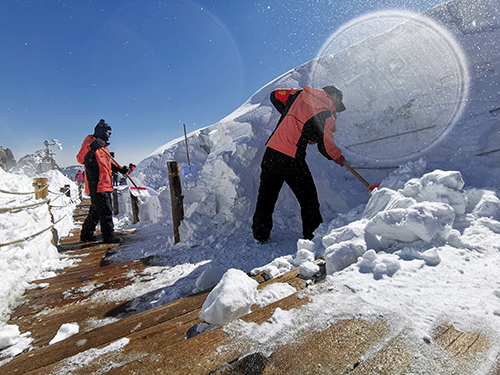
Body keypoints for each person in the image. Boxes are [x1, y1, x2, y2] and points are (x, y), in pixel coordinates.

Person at [252, 85, 346, 244]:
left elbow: (275, 95)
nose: (337, 106)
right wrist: (337, 156)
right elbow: (326, 146)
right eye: (338, 101)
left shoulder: (299, 94)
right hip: (291, 158)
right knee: (308, 198)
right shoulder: (326, 111)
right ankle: (313, 238)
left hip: (271, 153)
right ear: (334, 96)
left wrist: (291, 116)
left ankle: (260, 236)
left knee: (266, 197)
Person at [77, 119, 128, 243]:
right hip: (97, 183)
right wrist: (93, 147)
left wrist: (119, 169)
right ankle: (108, 236)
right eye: (108, 133)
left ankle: (86, 235)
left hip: (105, 183)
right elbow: (80, 158)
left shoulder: (103, 146)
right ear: (101, 132)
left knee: (95, 211)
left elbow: (106, 163)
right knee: (105, 211)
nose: (109, 135)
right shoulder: (89, 142)